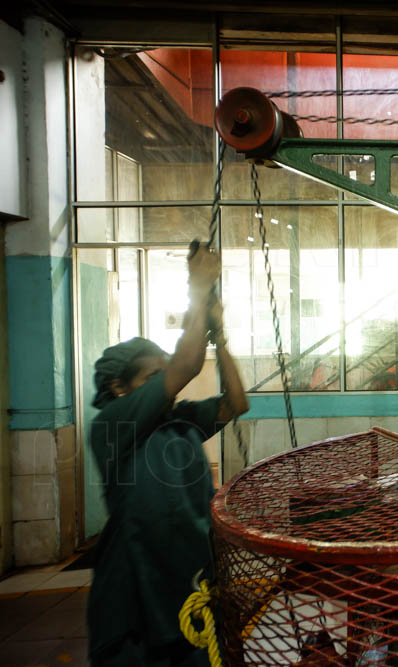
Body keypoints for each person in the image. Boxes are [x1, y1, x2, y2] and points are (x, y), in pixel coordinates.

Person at [87, 244, 250, 666]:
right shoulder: (115, 426)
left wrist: (220, 337)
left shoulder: (178, 420)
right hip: (136, 584)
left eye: (165, 372)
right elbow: (188, 364)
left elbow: (236, 403)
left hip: (188, 574)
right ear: (121, 389)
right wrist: (197, 290)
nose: (167, 383)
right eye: (152, 376)